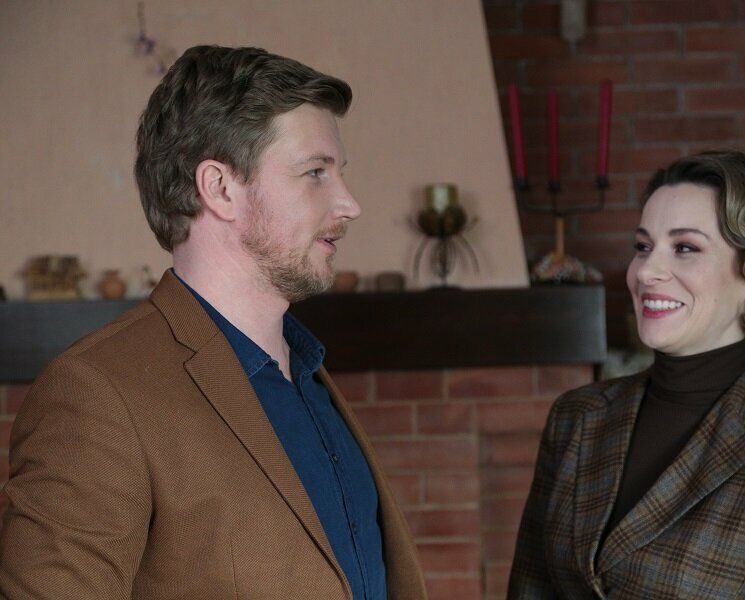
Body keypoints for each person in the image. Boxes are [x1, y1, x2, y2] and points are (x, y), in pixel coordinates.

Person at [0, 45, 426, 600]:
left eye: (339, 174)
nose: (349, 204)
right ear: (220, 188)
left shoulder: (308, 374)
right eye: (315, 173)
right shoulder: (96, 393)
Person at [507, 150, 745, 599]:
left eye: (685, 248)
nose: (646, 271)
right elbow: (530, 588)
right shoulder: (577, 417)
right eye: (643, 246)